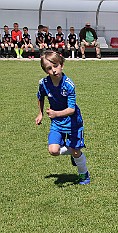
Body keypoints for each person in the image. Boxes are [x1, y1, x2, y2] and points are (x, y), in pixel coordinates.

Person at [35, 50, 90, 185]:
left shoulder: (68, 85)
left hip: (73, 122)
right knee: (53, 151)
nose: (53, 70)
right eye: (49, 68)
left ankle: (84, 175)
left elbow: (71, 109)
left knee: (76, 152)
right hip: (57, 122)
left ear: (62, 65)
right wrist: (40, 113)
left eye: (56, 66)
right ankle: (73, 150)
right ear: (45, 70)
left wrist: (55, 114)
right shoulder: (43, 83)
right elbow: (40, 96)